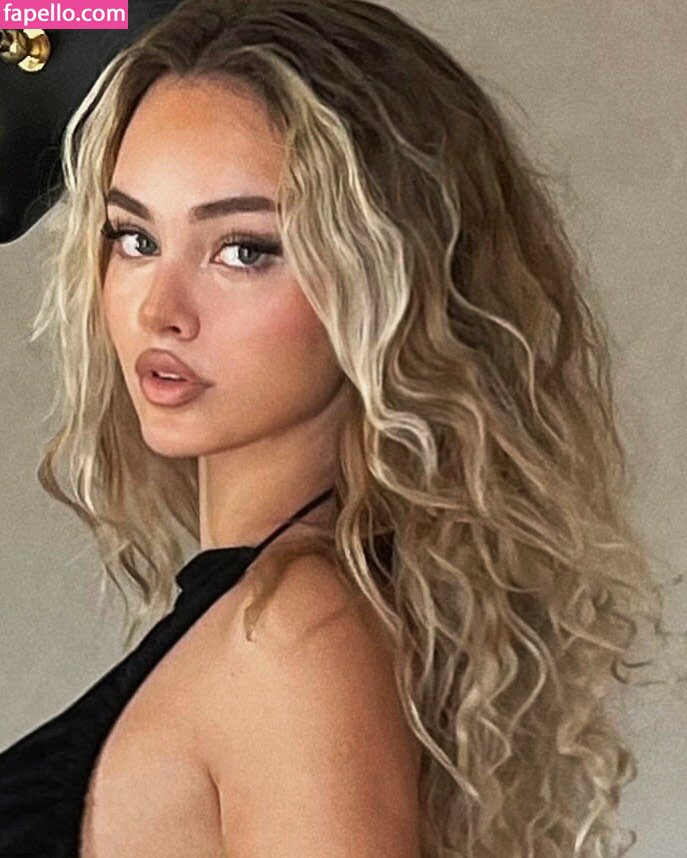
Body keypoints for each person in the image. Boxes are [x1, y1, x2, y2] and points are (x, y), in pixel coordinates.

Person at [0, 0, 659, 855]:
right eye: (133, 238)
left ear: (389, 279)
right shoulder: (271, 616)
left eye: (244, 250)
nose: (159, 310)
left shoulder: (293, 639)